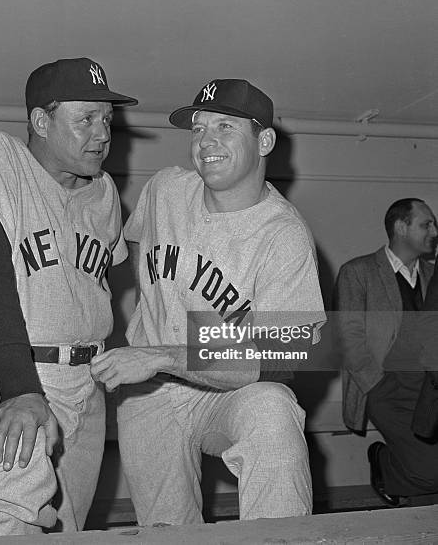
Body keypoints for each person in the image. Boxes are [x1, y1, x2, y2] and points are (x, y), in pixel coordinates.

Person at [91, 78, 326, 524]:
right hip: (152, 395)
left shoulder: (283, 234)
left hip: (227, 391)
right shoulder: (165, 190)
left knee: (273, 408)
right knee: (167, 530)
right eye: (198, 129)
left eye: (225, 127)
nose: (206, 141)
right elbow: (139, 249)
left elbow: (283, 357)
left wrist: (161, 353)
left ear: (265, 140)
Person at [0, 57, 137, 536]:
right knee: (12, 489)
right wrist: (21, 389)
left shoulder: (105, 193)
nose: (102, 133)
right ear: (41, 121)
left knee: (63, 530)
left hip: (85, 386)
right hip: (7, 371)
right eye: (85, 119)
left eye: (107, 119)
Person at [333, 198, 438, 506]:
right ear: (400, 227)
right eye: (426, 224)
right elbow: (347, 336)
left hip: (428, 390)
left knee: (430, 471)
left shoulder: (433, 275)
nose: (435, 230)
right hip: (385, 387)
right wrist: (376, 385)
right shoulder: (358, 272)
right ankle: (384, 462)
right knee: (430, 472)